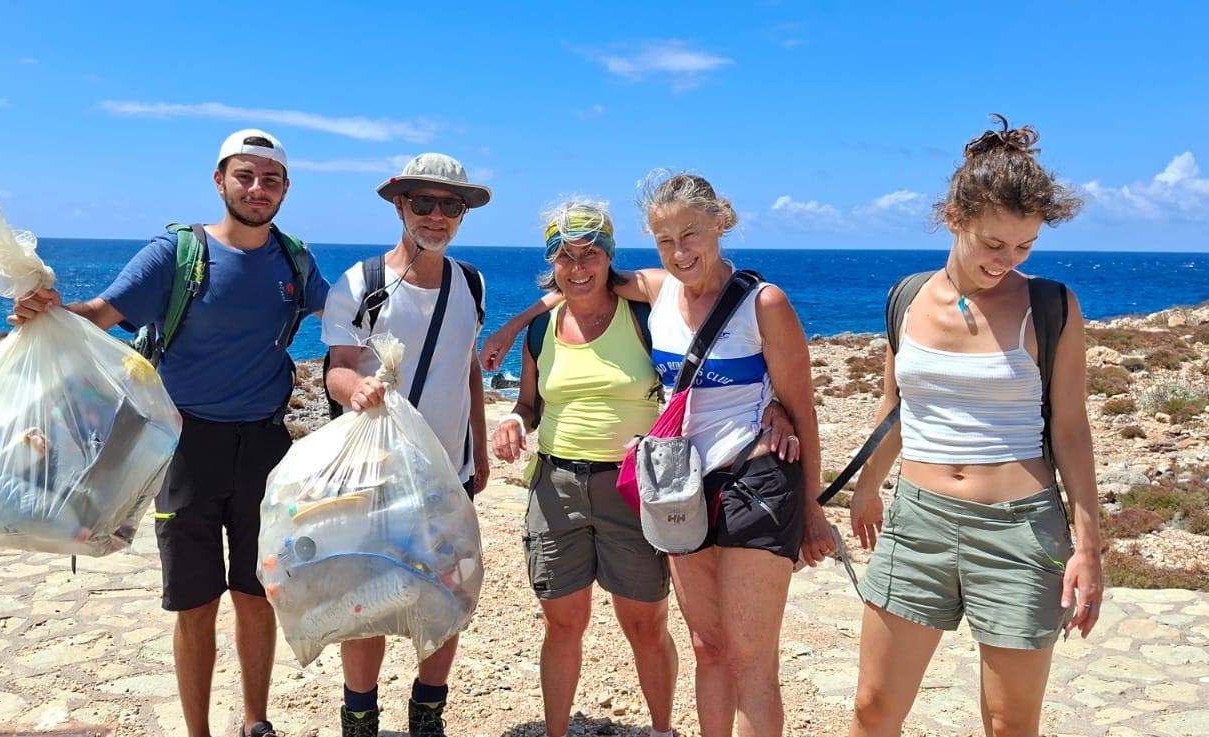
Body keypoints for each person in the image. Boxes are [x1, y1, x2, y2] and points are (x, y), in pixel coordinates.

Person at [484, 172, 836, 737]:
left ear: (721, 224)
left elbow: (805, 410)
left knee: (751, 661)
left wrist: (813, 511)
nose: (680, 252)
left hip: (755, 482)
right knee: (708, 645)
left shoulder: (762, 302)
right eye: (666, 240)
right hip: (683, 486)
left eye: (691, 235)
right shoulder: (657, 290)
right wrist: (514, 324)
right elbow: (577, 281)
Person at [11, 129, 326, 737]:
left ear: (286, 189)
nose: (258, 188)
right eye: (246, 175)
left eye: (271, 179)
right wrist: (47, 312)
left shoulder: (295, 261)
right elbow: (101, 316)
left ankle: (255, 721)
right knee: (194, 601)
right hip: (185, 448)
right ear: (220, 180)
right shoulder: (175, 253)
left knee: (260, 593)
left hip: (265, 447)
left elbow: (345, 314)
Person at [844, 116, 1101, 737]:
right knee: (873, 710)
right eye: (994, 244)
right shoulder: (905, 298)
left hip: (1020, 533)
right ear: (955, 217)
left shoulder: (1052, 306)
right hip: (917, 521)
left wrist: (1089, 546)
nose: (1006, 261)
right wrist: (866, 487)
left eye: (1024, 247)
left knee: (1009, 723)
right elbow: (894, 407)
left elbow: (1071, 431)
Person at [490, 198, 681, 737]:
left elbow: (685, 370)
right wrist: (512, 420)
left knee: (645, 623)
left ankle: (662, 730)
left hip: (632, 488)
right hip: (556, 487)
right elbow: (530, 405)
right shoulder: (541, 331)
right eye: (564, 257)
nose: (577, 268)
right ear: (551, 264)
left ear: (609, 258)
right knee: (563, 623)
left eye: (590, 254)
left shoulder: (647, 317)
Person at [321, 153, 491, 737]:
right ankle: (360, 717)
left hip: (450, 470)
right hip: (377, 474)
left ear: (462, 215)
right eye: (424, 203)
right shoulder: (361, 283)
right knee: (366, 602)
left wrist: (482, 450)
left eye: (451, 205)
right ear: (400, 206)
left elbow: (467, 363)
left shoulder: (471, 281)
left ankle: (427, 715)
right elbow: (336, 369)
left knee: (445, 596)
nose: (437, 216)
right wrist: (357, 389)